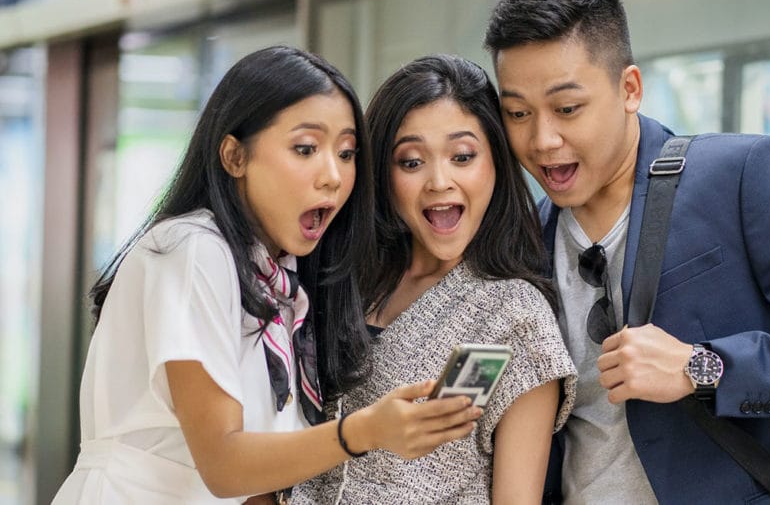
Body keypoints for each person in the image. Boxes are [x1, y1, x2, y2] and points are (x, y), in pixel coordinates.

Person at [483, 0, 770, 504]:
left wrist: (701, 367)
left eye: (567, 108)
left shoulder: (741, 174)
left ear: (630, 89)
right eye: (518, 113)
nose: (542, 139)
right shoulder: (524, 243)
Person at [51, 46, 482, 505]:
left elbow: (256, 484)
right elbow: (223, 463)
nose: (334, 176)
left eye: (347, 152)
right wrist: (364, 432)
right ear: (235, 156)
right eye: (306, 148)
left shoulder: (281, 283)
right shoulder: (192, 248)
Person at [294, 54, 577, 504]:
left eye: (462, 156)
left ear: (496, 165)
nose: (439, 181)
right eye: (411, 162)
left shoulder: (508, 317)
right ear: (381, 175)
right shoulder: (338, 277)